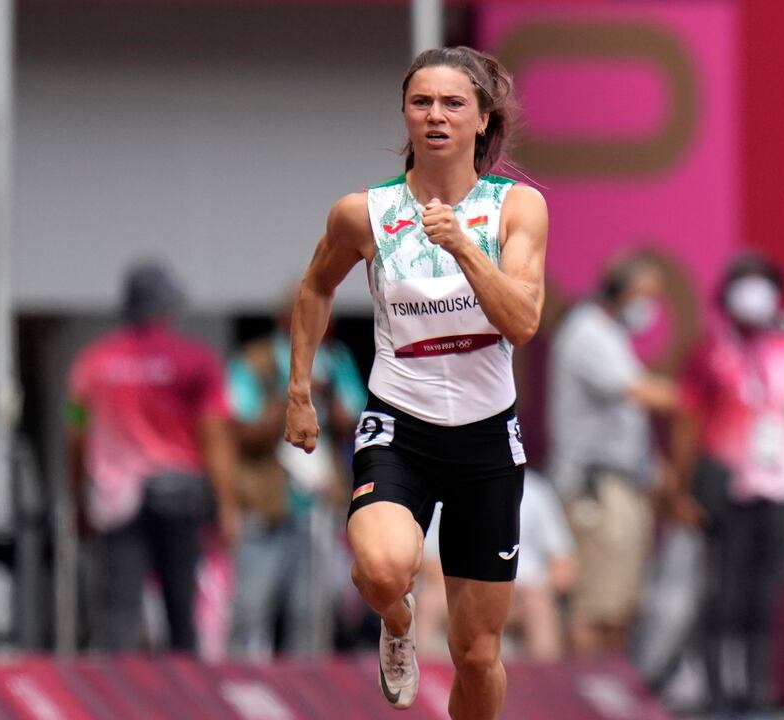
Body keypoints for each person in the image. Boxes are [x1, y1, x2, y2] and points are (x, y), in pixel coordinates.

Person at [283, 46, 547, 718]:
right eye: (422, 103)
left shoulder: (515, 209)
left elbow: (521, 322)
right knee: (380, 571)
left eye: (454, 104)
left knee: (477, 655)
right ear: (405, 114)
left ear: (482, 120)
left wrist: (462, 245)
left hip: (488, 441)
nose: (436, 116)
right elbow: (315, 287)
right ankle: (397, 628)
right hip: (400, 424)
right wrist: (298, 390)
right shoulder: (363, 213)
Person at [670, 254, 784, 717]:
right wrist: (681, 489)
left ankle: (756, 692)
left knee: (764, 592)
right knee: (725, 591)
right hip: (727, 488)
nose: (756, 294)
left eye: (764, 284)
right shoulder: (710, 352)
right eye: (746, 284)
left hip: (779, 487)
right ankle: (719, 692)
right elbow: (687, 421)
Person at [66, 261, 239, 653]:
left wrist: (79, 501)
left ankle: (117, 705)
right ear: (168, 309)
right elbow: (214, 437)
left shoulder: (92, 364)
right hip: (181, 499)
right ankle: (184, 703)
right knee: (182, 612)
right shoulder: (198, 362)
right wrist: (227, 506)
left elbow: (75, 432)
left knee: (117, 615)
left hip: (116, 502)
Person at [547, 252, 680, 655]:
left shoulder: (612, 335)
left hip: (622, 486)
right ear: (621, 292)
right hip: (598, 489)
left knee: (620, 607)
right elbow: (640, 392)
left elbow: (627, 419)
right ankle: (586, 702)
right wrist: (703, 396)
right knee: (596, 607)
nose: (650, 308)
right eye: (645, 295)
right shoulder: (587, 332)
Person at [227, 285, 366, 659]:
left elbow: (352, 423)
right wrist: (294, 395)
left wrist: (330, 391)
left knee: (311, 618)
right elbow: (244, 432)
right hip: (266, 509)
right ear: (284, 318)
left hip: (317, 511)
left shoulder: (336, 361)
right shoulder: (253, 362)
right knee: (250, 612)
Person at [416, 471, 576, 662]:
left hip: (519, 595)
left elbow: (564, 564)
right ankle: (420, 679)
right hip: (460, 591)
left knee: (539, 605)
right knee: (429, 600)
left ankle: (546, 684)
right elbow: (429, 557)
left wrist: (538, 588)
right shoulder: (447, 486)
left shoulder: (536, 491)